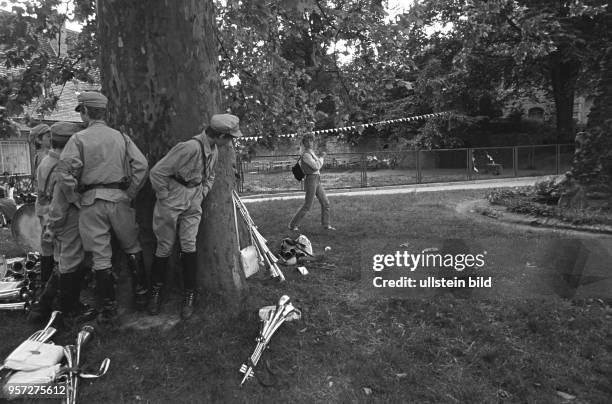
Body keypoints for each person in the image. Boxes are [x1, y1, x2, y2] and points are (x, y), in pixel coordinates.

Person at [56, 91, 149, 326]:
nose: (82, 116)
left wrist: (73, 196)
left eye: (82, 112)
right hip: (119, 199)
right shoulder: (120, 137)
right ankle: (142, 296)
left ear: (86, 112)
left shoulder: (78, 139)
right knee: (132, 246)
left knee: (100, 255)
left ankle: (109, 308)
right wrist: (131, 192)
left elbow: (64, 172)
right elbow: (141, 165)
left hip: (90, 202)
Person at [148, 114, 242, 319]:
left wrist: (202, 193)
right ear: (219, 135)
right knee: (164, 246)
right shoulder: (189, 147)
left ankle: (189, 293)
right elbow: (157, 172)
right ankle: (155, 291)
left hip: (193, 200)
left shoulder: (214, 150)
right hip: (172, 199)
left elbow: (211, 175)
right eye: (230, 138)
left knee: (189, 245)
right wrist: (165, 196)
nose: (231, 142)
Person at [32, 122, 95, 323]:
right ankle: (69, 308)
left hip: (48, 213)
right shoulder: (63, 165)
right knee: (70, 261)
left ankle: (44, 305)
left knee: (60, 259)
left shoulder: (45, 161)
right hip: (63, 215)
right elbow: (63, 195)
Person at [29, 124, 56, 322]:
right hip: (46, 206)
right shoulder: (43, 157)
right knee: (48, 246)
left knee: (49, 246)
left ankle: (48, 282)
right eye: (47, 135)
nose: (50, 137)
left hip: (45, 205)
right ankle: (47, 283)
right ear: (38, 140)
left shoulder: (47, 154)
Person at [288, 133, 335, 231]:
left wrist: (319, 159)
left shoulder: (311, 152)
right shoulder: (306, 155)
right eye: (308, 140)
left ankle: (326, 225)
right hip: (311, 180)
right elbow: (316, 166)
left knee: (325, 203)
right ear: (304, 143)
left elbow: (317, 166)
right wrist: (321, 157)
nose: (310, 142)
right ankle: (293, 225)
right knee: (307, 205)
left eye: (312, 140)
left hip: (317, 179)